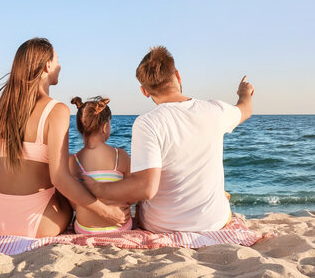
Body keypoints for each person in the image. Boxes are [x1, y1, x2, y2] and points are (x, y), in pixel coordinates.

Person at [82, 46, 254, 232]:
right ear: (178, 76)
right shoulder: (214, 110)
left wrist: (99, 189)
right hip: (213, 223)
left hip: (162, 226)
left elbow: (146, 188)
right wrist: (244, 92)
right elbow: (245, 109)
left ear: (144, 91)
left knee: (141, 203)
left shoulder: (147, 123)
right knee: (222, 195)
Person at [0, 38, 128, 238]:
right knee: (68, 184)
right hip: (35, 222)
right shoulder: (56, 110)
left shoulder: (5, 109)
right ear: (47, 65)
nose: (60, 66)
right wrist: (106, 211)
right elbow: (59, 178)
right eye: (57, 60)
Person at [68, 96, 132, 234]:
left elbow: (74, 203)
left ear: (80, 128)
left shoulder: (73, 161)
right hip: (120, 226)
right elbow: (131, 196)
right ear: (105, 127)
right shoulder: (121, 156)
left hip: (85, 229)